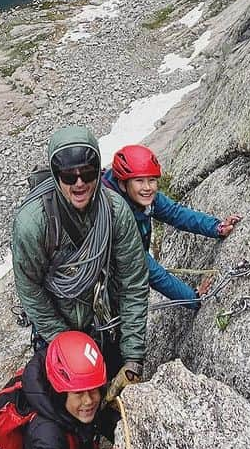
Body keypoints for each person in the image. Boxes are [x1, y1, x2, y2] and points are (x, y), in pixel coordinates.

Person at [11, 125, 149, 398]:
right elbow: (30, 289)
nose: (79, 183)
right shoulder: (32, 223)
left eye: (87, 173)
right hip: (57, 327)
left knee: (108, 404)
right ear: (55, 176)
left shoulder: (115, 211)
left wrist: (133, 357)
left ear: (97, 170)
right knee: (66, 410)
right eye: (68, 176)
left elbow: (133, 281)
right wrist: (66, 342)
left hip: (104, 323)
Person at [104, 144, 240, 305]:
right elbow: (150, 271)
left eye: (152, 180)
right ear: (122, 183)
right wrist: (193, 298)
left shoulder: (142, 198)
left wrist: (216, 227)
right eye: (139, 181)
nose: (147, 188)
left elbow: (175, 213)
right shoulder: (111, 215)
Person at [18, 330, 122, 449]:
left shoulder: (80, 406)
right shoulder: (45, 429)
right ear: (60, 392)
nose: (89, 400)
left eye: (93, 390)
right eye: (78, 393)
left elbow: (108, 421)